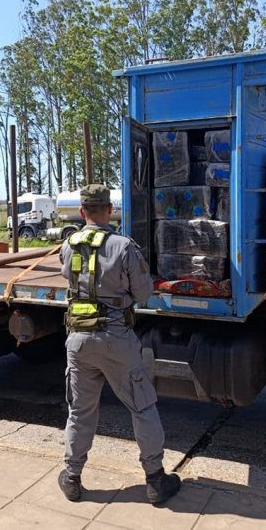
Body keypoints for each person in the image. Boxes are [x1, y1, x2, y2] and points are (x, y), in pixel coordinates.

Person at [57, 184, 181, 504]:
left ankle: (71, 477)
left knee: (80, 411)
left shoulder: (68, 245)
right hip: (115, 339)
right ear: (109, 210)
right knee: (142, 406)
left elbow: (69, 282)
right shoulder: (123, 246)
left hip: (78, 340)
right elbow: (143, 294)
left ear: (82, 212)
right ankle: (155, 479)